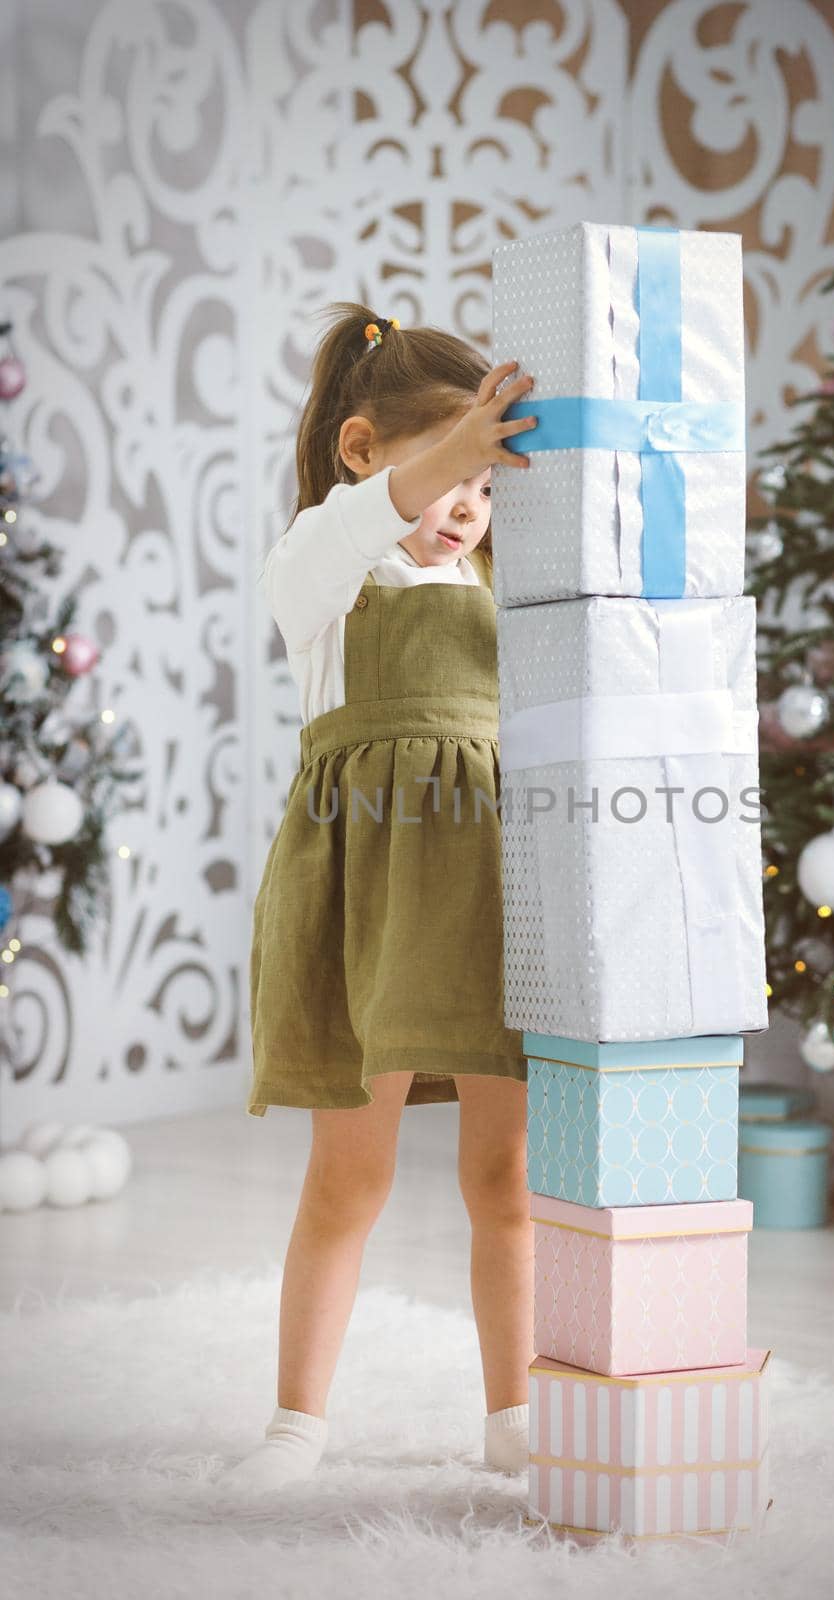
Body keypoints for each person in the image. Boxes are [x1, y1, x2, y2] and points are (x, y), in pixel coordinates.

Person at [217, 305, 539, 1494]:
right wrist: (443, 463)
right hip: (365, 899)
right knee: (348, 1175)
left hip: (493, 898)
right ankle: (296, 1422)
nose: (467, 503)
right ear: (363, 451)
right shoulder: (322, 569)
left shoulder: (503, 592)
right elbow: (368, 524)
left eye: (488, 482)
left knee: (503, 1179)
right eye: (450, 468)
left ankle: (512, 1411)